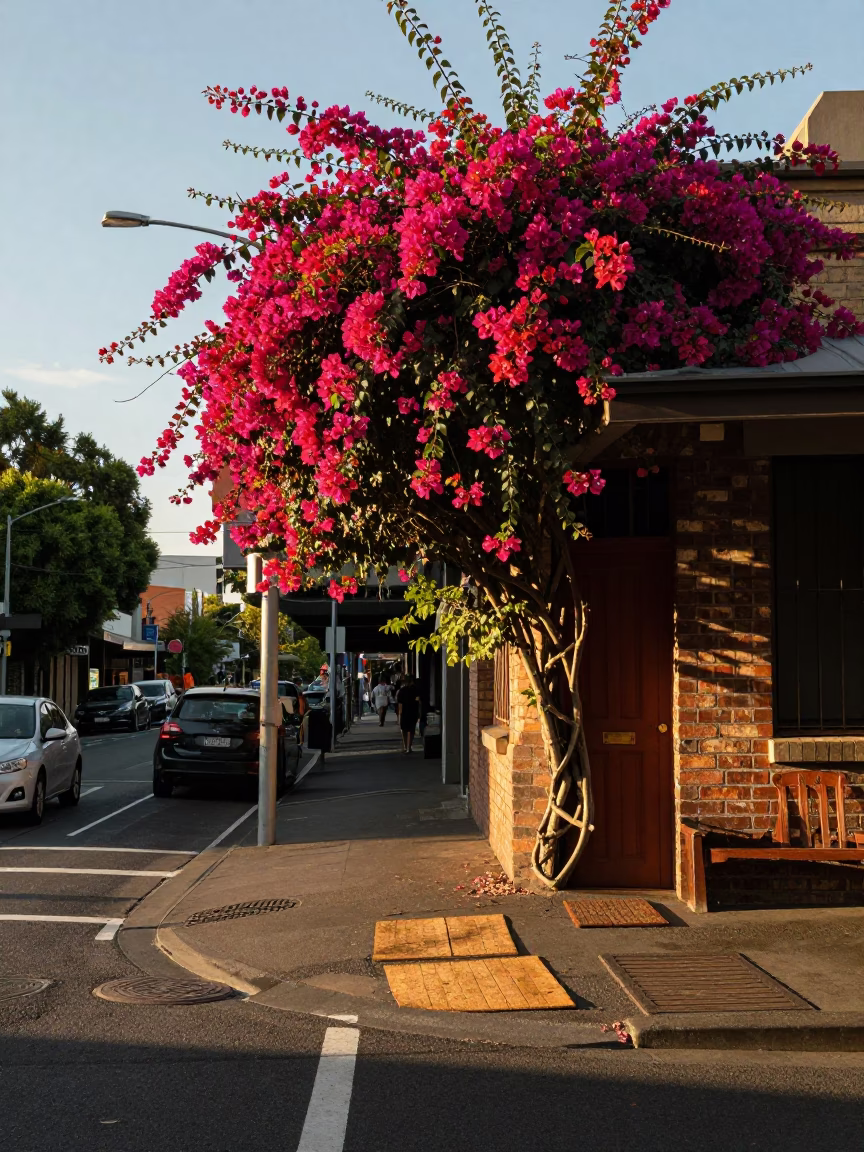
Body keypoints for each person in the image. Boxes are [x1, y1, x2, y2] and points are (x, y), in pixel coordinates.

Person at [396, 673, 421, 753]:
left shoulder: (401, 691)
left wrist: (399, 715)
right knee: (411, 730)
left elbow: (400, 704)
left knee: (404, 729)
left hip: (404, 712)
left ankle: (405, 745)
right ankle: (409, 747)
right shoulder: (416, 690)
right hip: (413, 711)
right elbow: (418, 701)